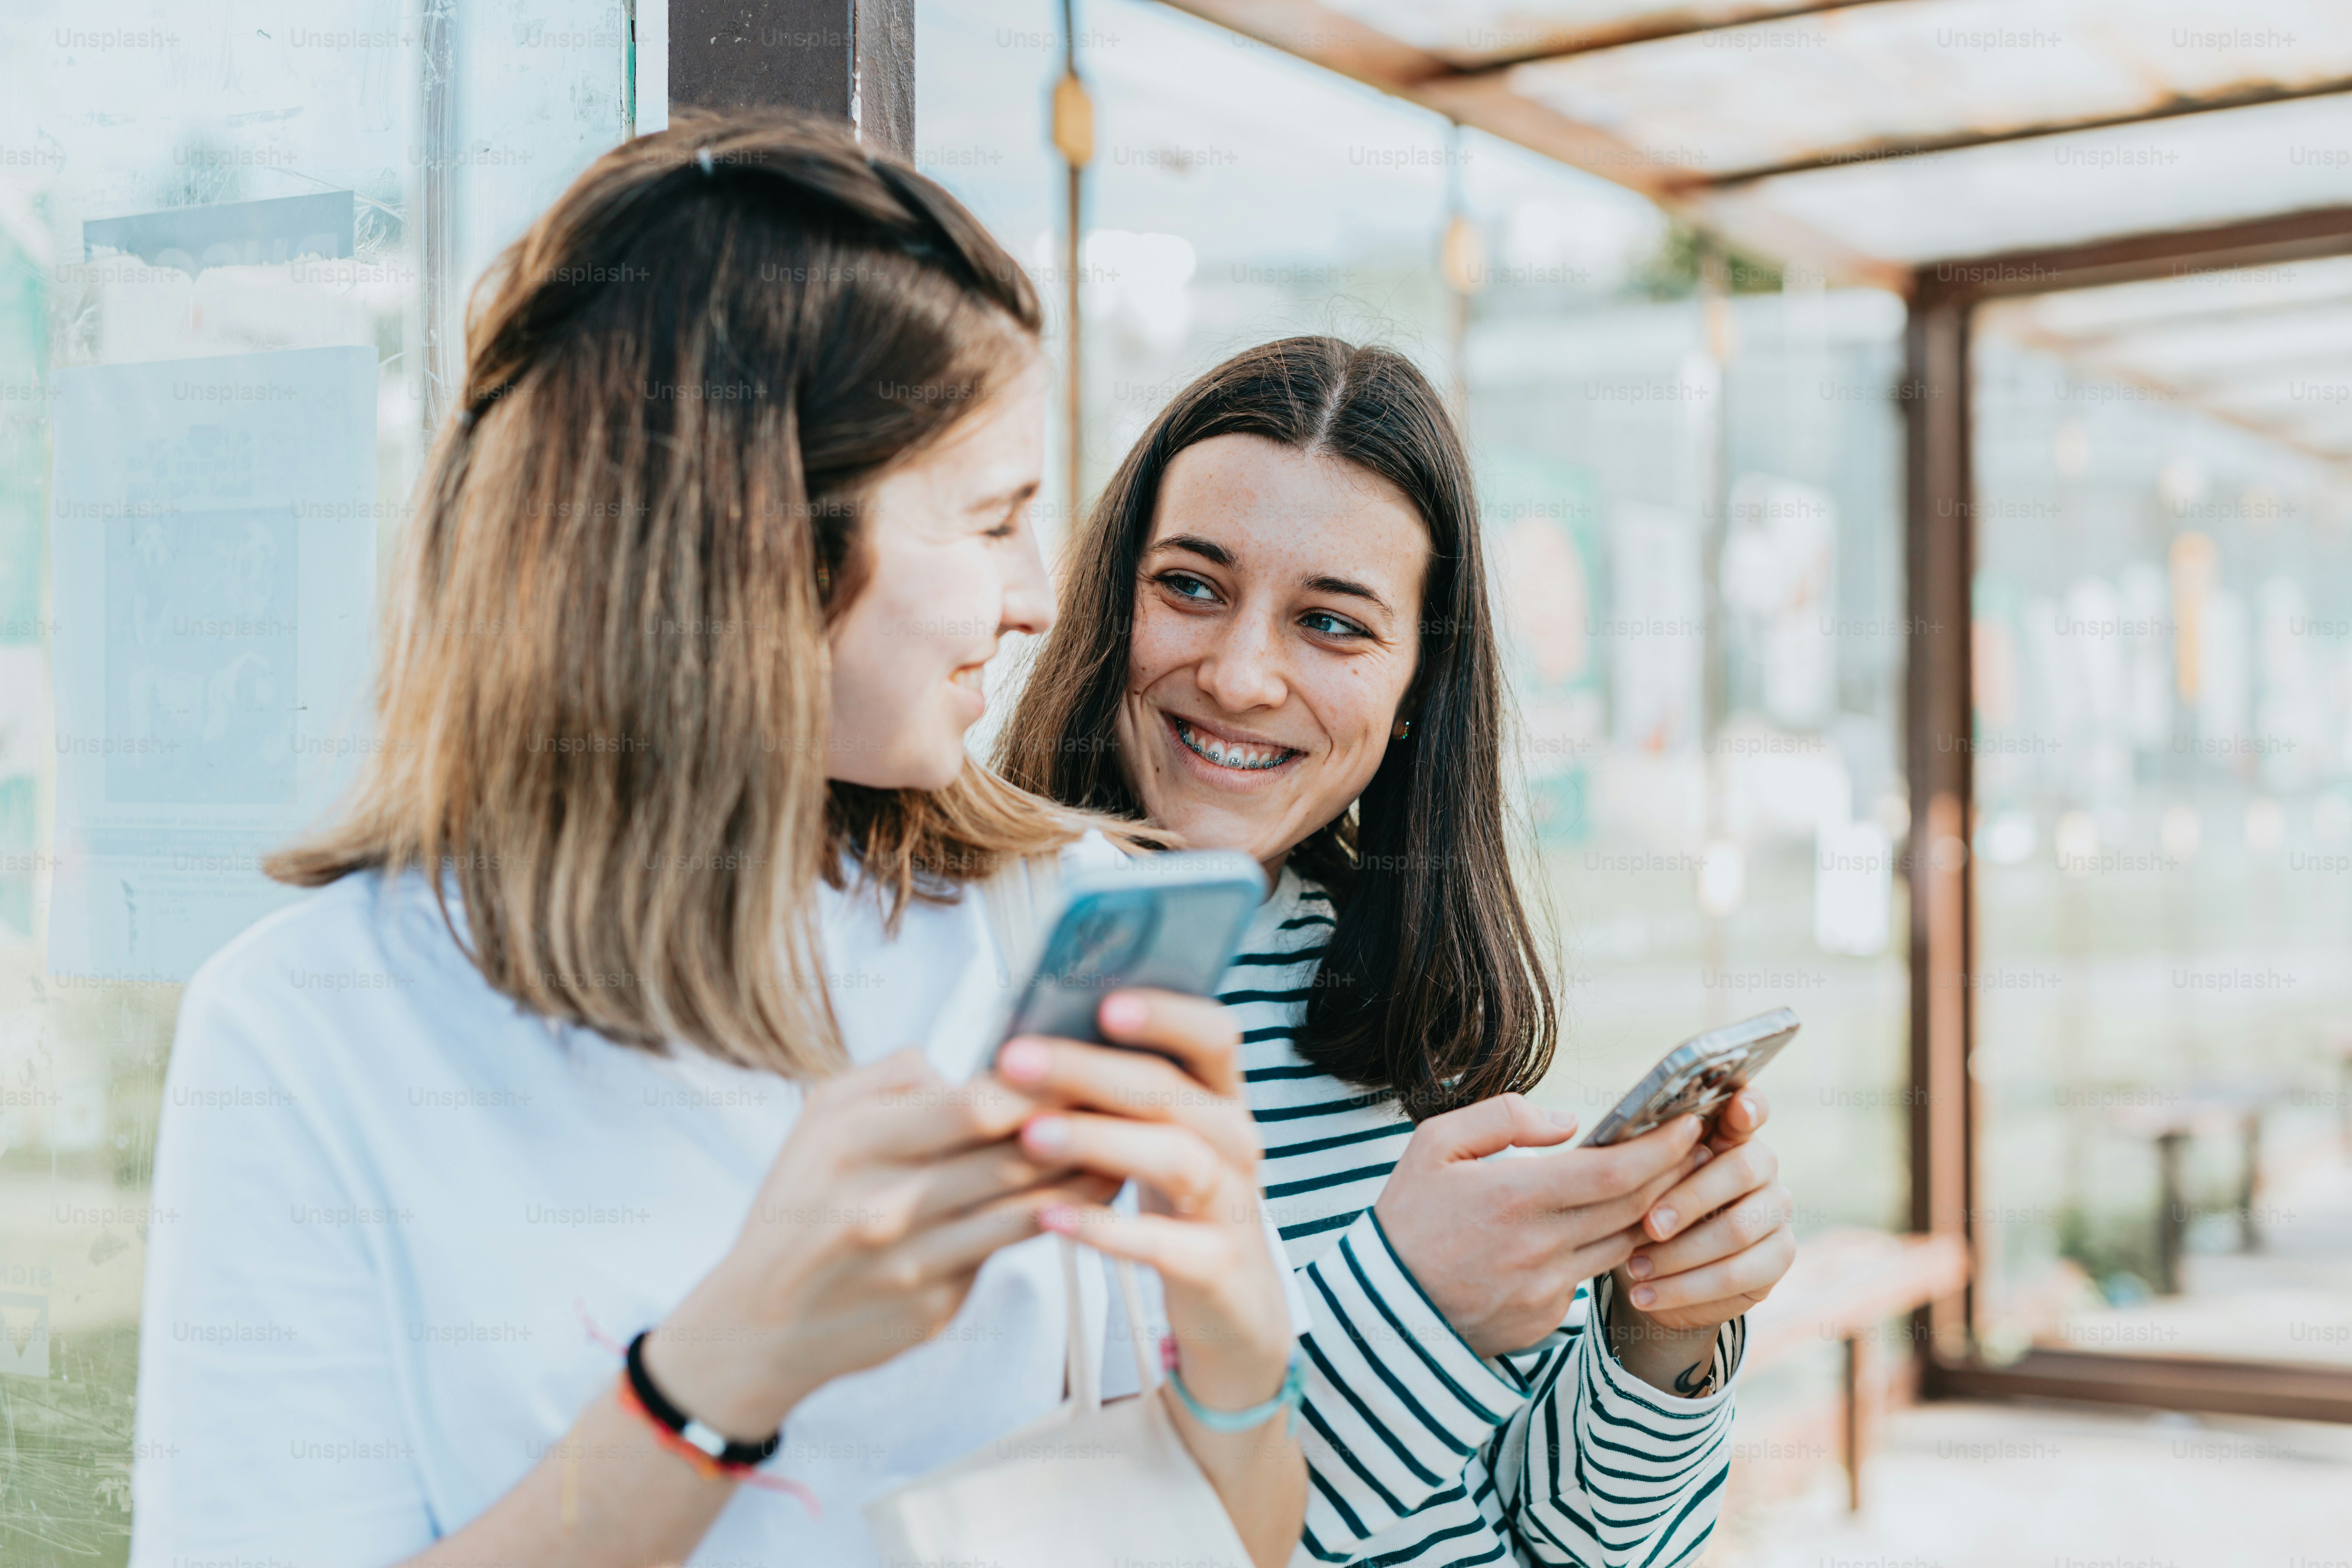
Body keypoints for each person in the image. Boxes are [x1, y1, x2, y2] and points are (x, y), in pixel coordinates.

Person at [130, 112, 1306, 1568]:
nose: (1035, 597)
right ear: (762, 542)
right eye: (992, 520)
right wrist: (728, 1364)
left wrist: (1243, 1339)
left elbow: (1238, 1537)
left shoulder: (1046, 915)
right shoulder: (310, 1025)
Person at [999, 337, 1797, 1567]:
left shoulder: (1402, 987)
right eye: (1192, 587)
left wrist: (1660, 1334)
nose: (1241, 673)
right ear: (1114, 600)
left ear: (1423, 681)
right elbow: (1089, 1532)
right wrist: (1414, 1306)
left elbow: (1577, 1548)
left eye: (1330, 622)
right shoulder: (992, 967)